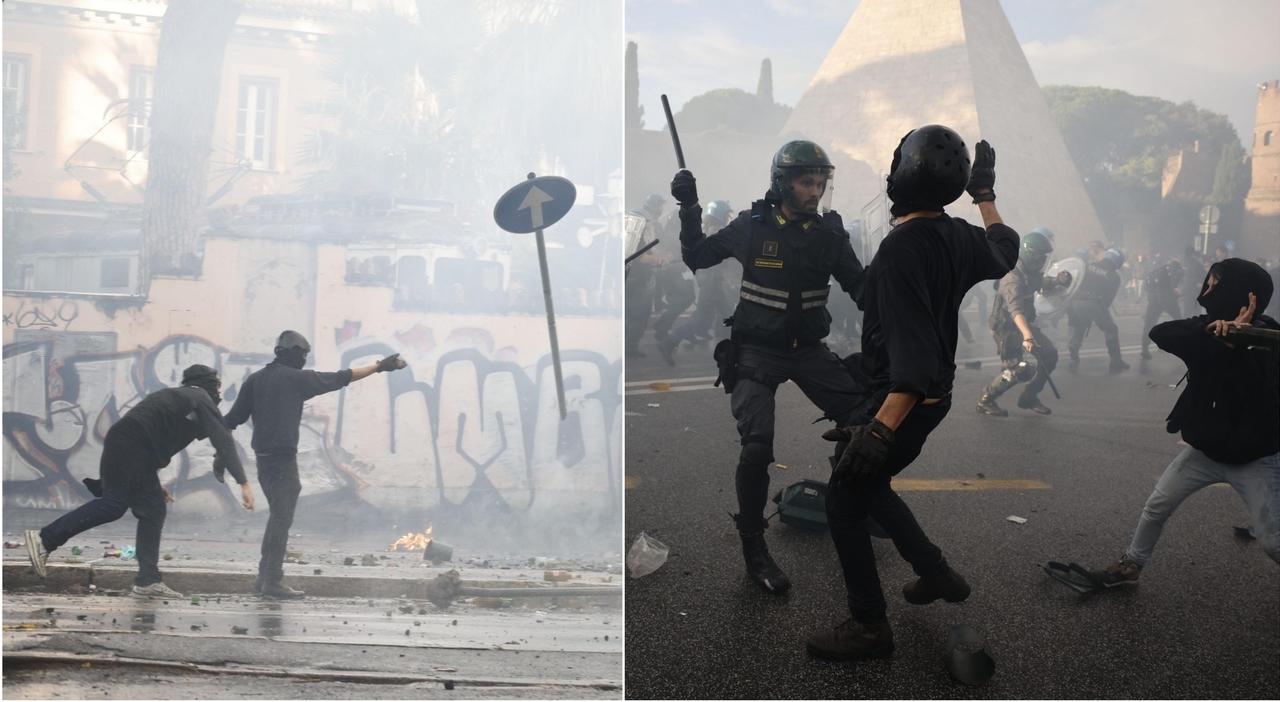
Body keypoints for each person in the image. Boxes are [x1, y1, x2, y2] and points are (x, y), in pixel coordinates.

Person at [805, 126, 1018, 661]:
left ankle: (869, 626)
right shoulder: (961, 235)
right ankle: (936, 573)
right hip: (933, 399)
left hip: (903, 402)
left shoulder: (902, 248)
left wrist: (877, 431)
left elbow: (913, 364)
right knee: (872, 490)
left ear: (900, 173)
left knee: (845, 503)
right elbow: (1005, 250)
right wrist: (986, 197)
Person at [670, 140, 865, 594]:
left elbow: (863, 289)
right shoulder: (750, 227)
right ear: (782, 183)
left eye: (820, 182)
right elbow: (697, 255)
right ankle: (754, 549)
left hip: (809, 349)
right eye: (805, 182)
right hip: (756, 349)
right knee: (757, 448)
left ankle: (851, 509)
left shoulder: (831, 233)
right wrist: (689, 207)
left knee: (864, 428)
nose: (815, 191)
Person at [1090, 258, 1278, 585]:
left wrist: (1242, 339)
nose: (1208, 287)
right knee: (1157, 505)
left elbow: (1257, 379)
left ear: (1247, 295)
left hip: (1255, 459)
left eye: (1218, 282)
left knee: (1273, 540)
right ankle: (1131, 566)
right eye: (1210, 280)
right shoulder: (1205, 327)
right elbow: (1161, 332)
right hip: (1205, 452)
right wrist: (1214, 332)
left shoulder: (1269, 337)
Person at [25, 365, 253, 599]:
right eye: (216, 385)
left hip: (128, 446)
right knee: (113, 505)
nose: (218, 391)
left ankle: (147, 581)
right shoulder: (200, 398)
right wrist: (243, 483)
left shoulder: (181, 397)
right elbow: (224, 441)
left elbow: (149, 432)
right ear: (206, 384)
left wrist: (150, 478)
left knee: (153, 510)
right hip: (131, 448)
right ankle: (46, 539)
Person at [224, 331, 407, 599]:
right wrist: (379, 366)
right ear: (293, 353)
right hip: (282, 460)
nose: (305, 359)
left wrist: (220, 455)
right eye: (304, 354)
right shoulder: (296, 379)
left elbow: (231, 419)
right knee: (281, 520)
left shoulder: (255, 380)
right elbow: (342, 377)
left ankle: (264, 580)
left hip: (263, 461)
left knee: (277, 518)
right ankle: (272, 581)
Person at [976, 230, 1070, 416]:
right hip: (1007, 328)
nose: (1042, 260)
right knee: (1019, 369)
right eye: (1040, 256)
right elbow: (1015, 310)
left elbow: (1039, 282)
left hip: (1022, 325)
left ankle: (1029, 396)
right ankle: (986, 399)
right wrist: (1028, 335)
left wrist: (1057, 280)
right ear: (1030, 254)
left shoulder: (1030, 271)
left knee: (1049, 355)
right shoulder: (1012, 277)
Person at [660, 199, 736, 364]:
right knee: (701, 319)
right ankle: (670, 342)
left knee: (729, 315)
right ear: (719, 214)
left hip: (712, 279)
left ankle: (736, 351)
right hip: (712, 281)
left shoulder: (708, 229)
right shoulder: (718, 231)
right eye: (726, 213)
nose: (728, 217)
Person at [1067, 247, 1129, 373]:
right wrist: (1100, 313)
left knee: (1080, 325)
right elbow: (1108, 299)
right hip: (1094, 303)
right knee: (1111, 330)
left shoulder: (1089, 266)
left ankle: (1074, 346)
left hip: (1076, 301)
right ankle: (1115, 360)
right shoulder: (1114, 276)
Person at [1141, 260, 1184, 360]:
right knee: (1178, 320)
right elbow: (1174, 283)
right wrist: (1176, 289)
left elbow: (1148, 284)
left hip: (1154, 299)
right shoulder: (1175, 270)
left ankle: (1144, 348)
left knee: (1149, 323)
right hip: (1167, 299)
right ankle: (1173, 343)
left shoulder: (1158, 270)